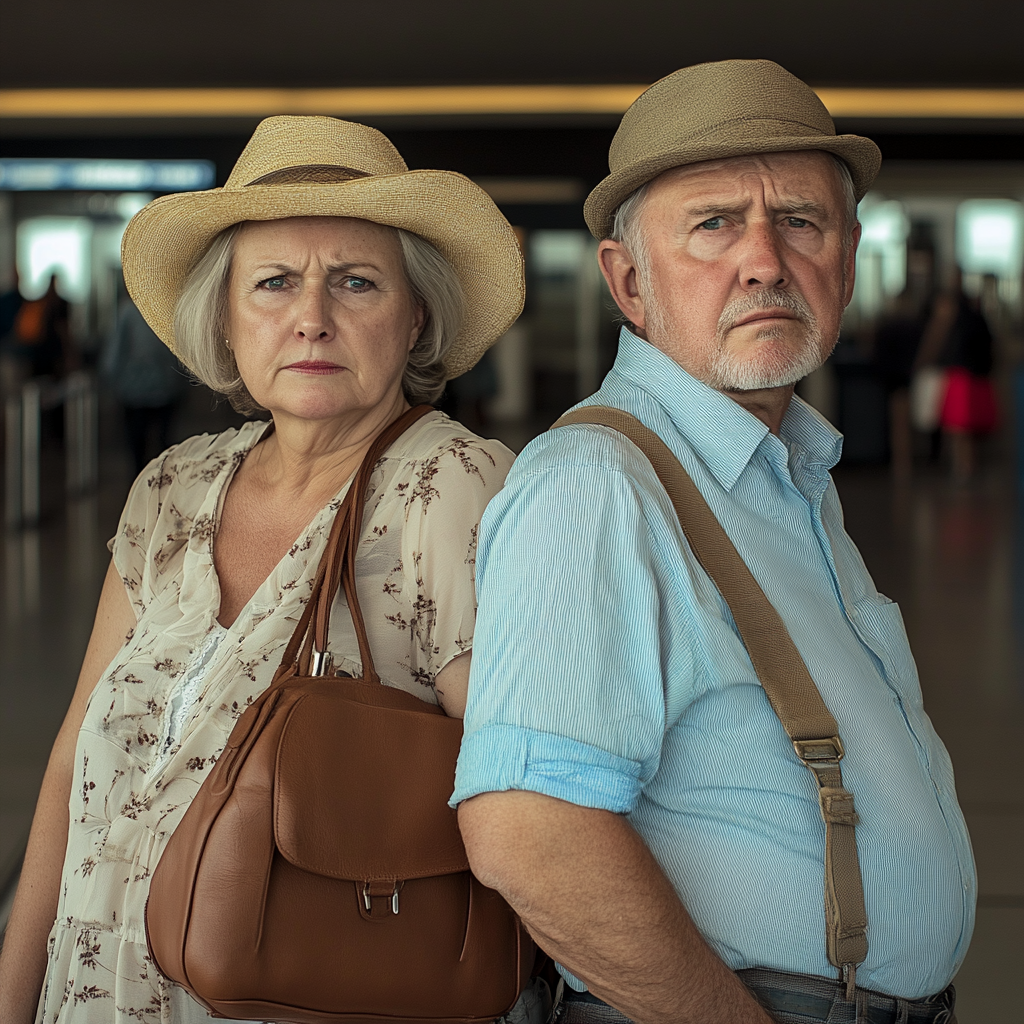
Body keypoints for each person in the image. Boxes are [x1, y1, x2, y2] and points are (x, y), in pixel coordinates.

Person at [454, 60, 973, 1024]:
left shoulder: (786, 473)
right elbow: (531, 833)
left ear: (849, 257)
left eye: (802, 222)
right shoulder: (597, 485)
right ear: (627, 282)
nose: (766, 260)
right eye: (713, 223)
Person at [0, 114, 525, 1024]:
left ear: (415, 317)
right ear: (228, 319)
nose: (311, 318)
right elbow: (67, 767)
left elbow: (518, 800)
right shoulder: (174, 486)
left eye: (355, 282)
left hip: (313, 995)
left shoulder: (452, 485)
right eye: (274, 283)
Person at [102, 282, 189, 474]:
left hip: (135, 390)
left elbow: (115, 352)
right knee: (163, 443)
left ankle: (141, 483)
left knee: (137, 445)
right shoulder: (166, 310)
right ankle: (162, 483)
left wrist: (111, 380)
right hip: (164, 388)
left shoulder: (127, 312)